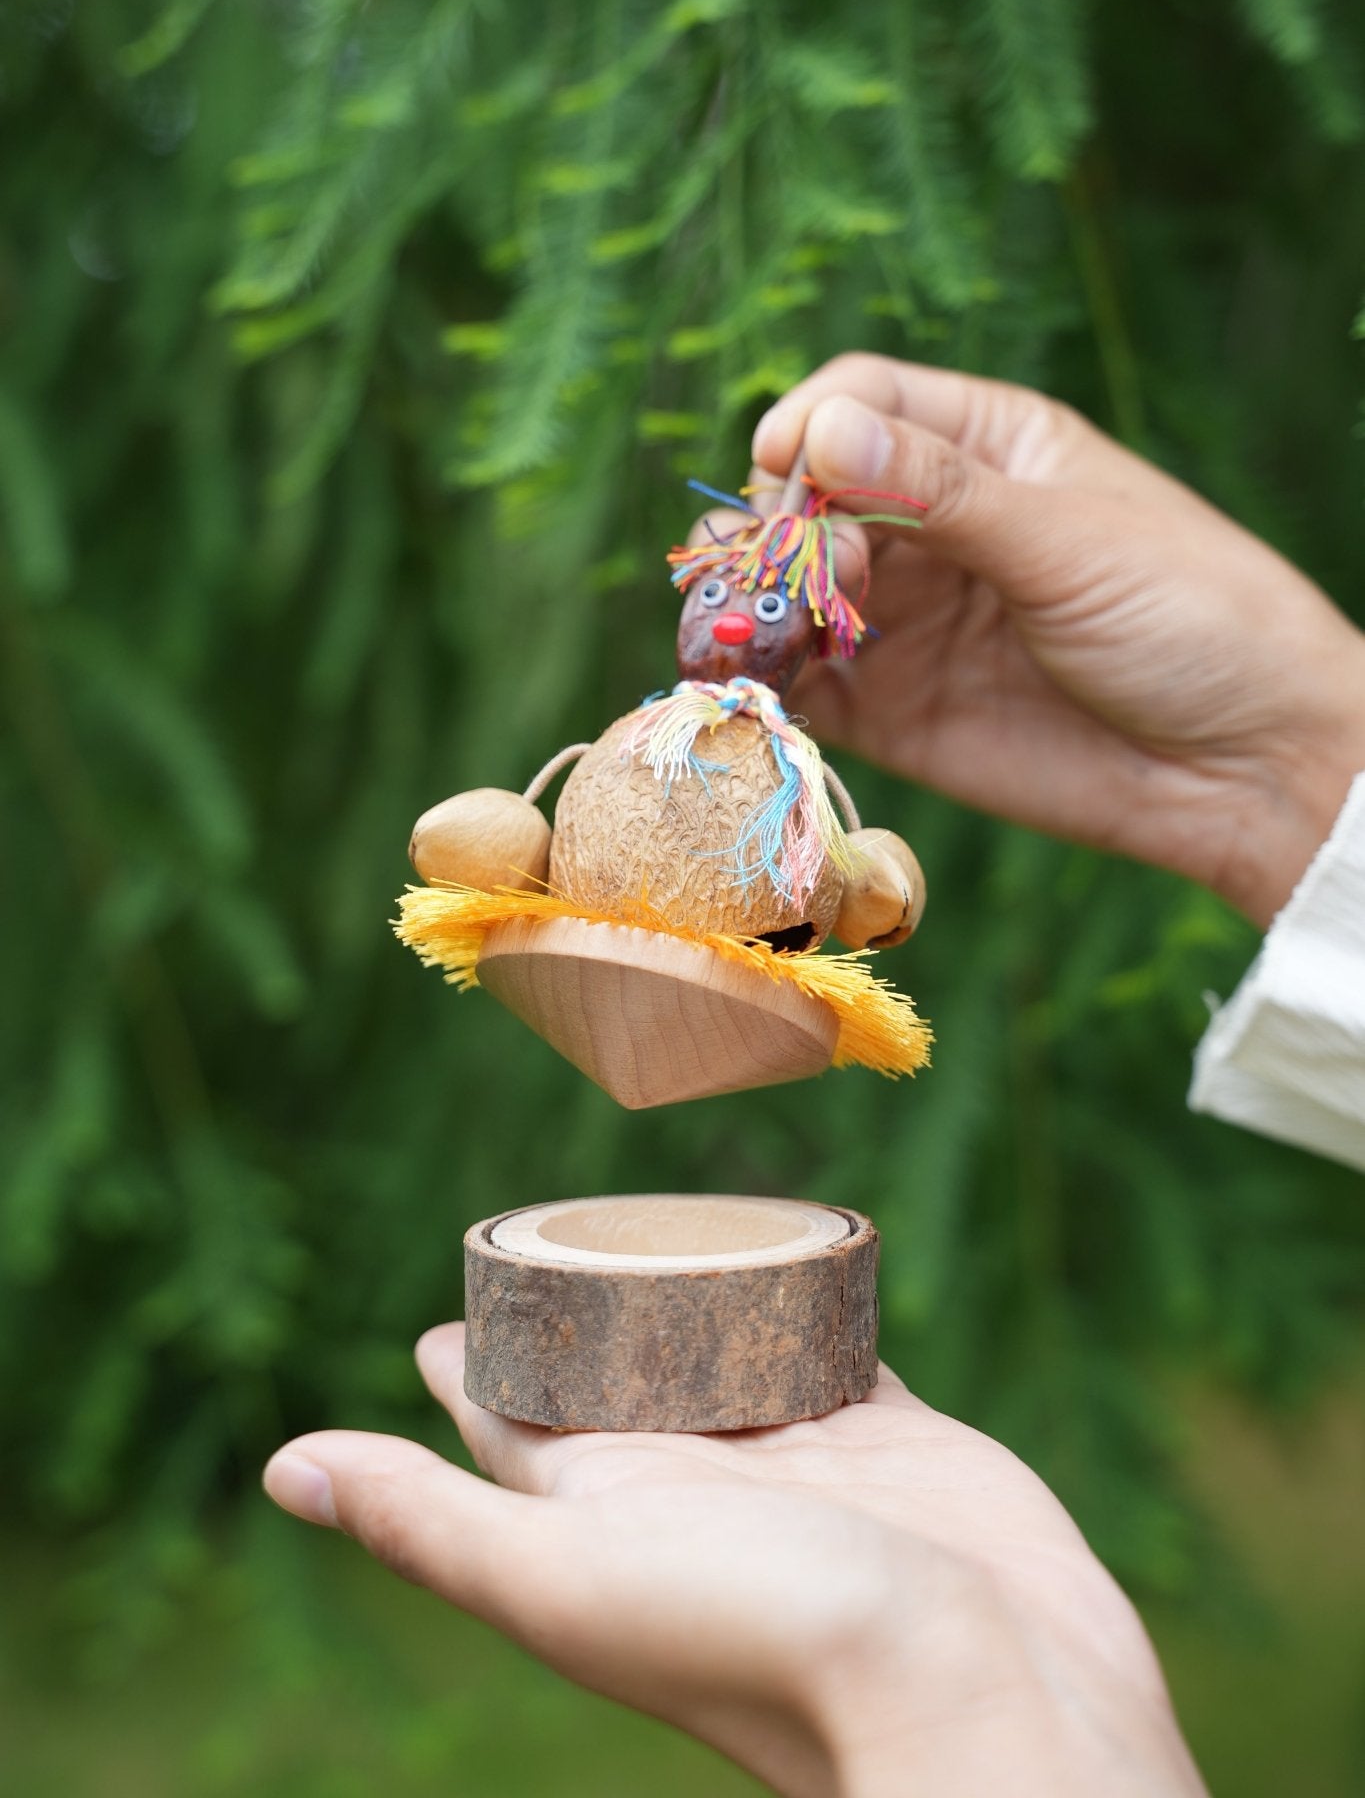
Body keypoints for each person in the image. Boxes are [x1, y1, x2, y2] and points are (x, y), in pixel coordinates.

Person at [265, 356, 1365, 1796]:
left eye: (760, 601)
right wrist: (1299, 760)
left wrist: (1293, 756)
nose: (734, 614)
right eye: (723, 595)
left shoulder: (789, 766)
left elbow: (854, 876)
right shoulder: (647, 744)